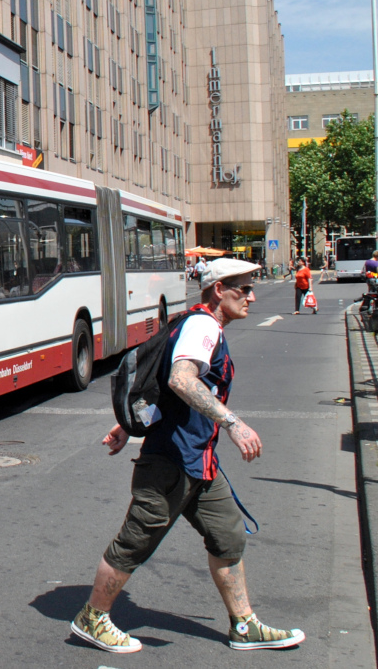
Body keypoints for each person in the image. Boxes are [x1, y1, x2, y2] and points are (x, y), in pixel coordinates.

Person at [70, 258, 304, 654]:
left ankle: (243, 625)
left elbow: (160, 382)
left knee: (227, 535)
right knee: (136, 541)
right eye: (243, 289)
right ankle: (92, 617)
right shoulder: (203, 326)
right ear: (218, 290)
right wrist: (234, 423)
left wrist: (128, 426)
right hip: (171, 462)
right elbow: (180, 379)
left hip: (200, 464)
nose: (252, 296)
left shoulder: (191, 322)